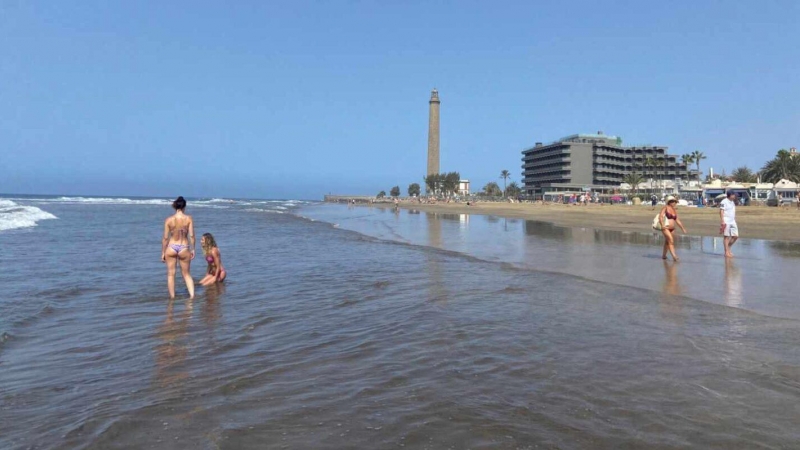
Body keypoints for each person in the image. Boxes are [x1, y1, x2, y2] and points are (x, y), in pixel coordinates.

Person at [161, 196, 195, 299]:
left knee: (171, 274)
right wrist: (193, 249)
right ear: (184, 206)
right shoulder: (188, 219)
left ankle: (172, 298)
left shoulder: (169, 220)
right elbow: (192, 236)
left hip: (171, 246)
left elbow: (165, 238)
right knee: (186, 274)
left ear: (175, 206)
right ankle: (192, 297)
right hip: (184, 246)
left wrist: (163, 252)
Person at [659, 196, 687, 261]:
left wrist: (683, 228)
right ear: (669, 202)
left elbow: (677, 220)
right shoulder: (665, 208)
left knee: (667, 242)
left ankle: (663, 255)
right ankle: (674, 256)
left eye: (675, 202)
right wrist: (662, 225)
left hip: (672, 229)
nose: (674, 203)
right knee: (671, 241)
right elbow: (660, 216)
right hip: (665, 227)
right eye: (673, 202)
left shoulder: (674, 210)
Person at [720, 191, 739, 258]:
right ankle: (726, 252)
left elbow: (733, 212)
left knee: (735, 236)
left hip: (732, 221)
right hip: (726, 220)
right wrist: (722, 221)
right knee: (726, 236)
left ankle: (728, 248)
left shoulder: (732, 202)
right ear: (730, 195)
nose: (735, 196)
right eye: (734, 195)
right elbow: (721, 211)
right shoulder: (724, 201)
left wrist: (735, 219)